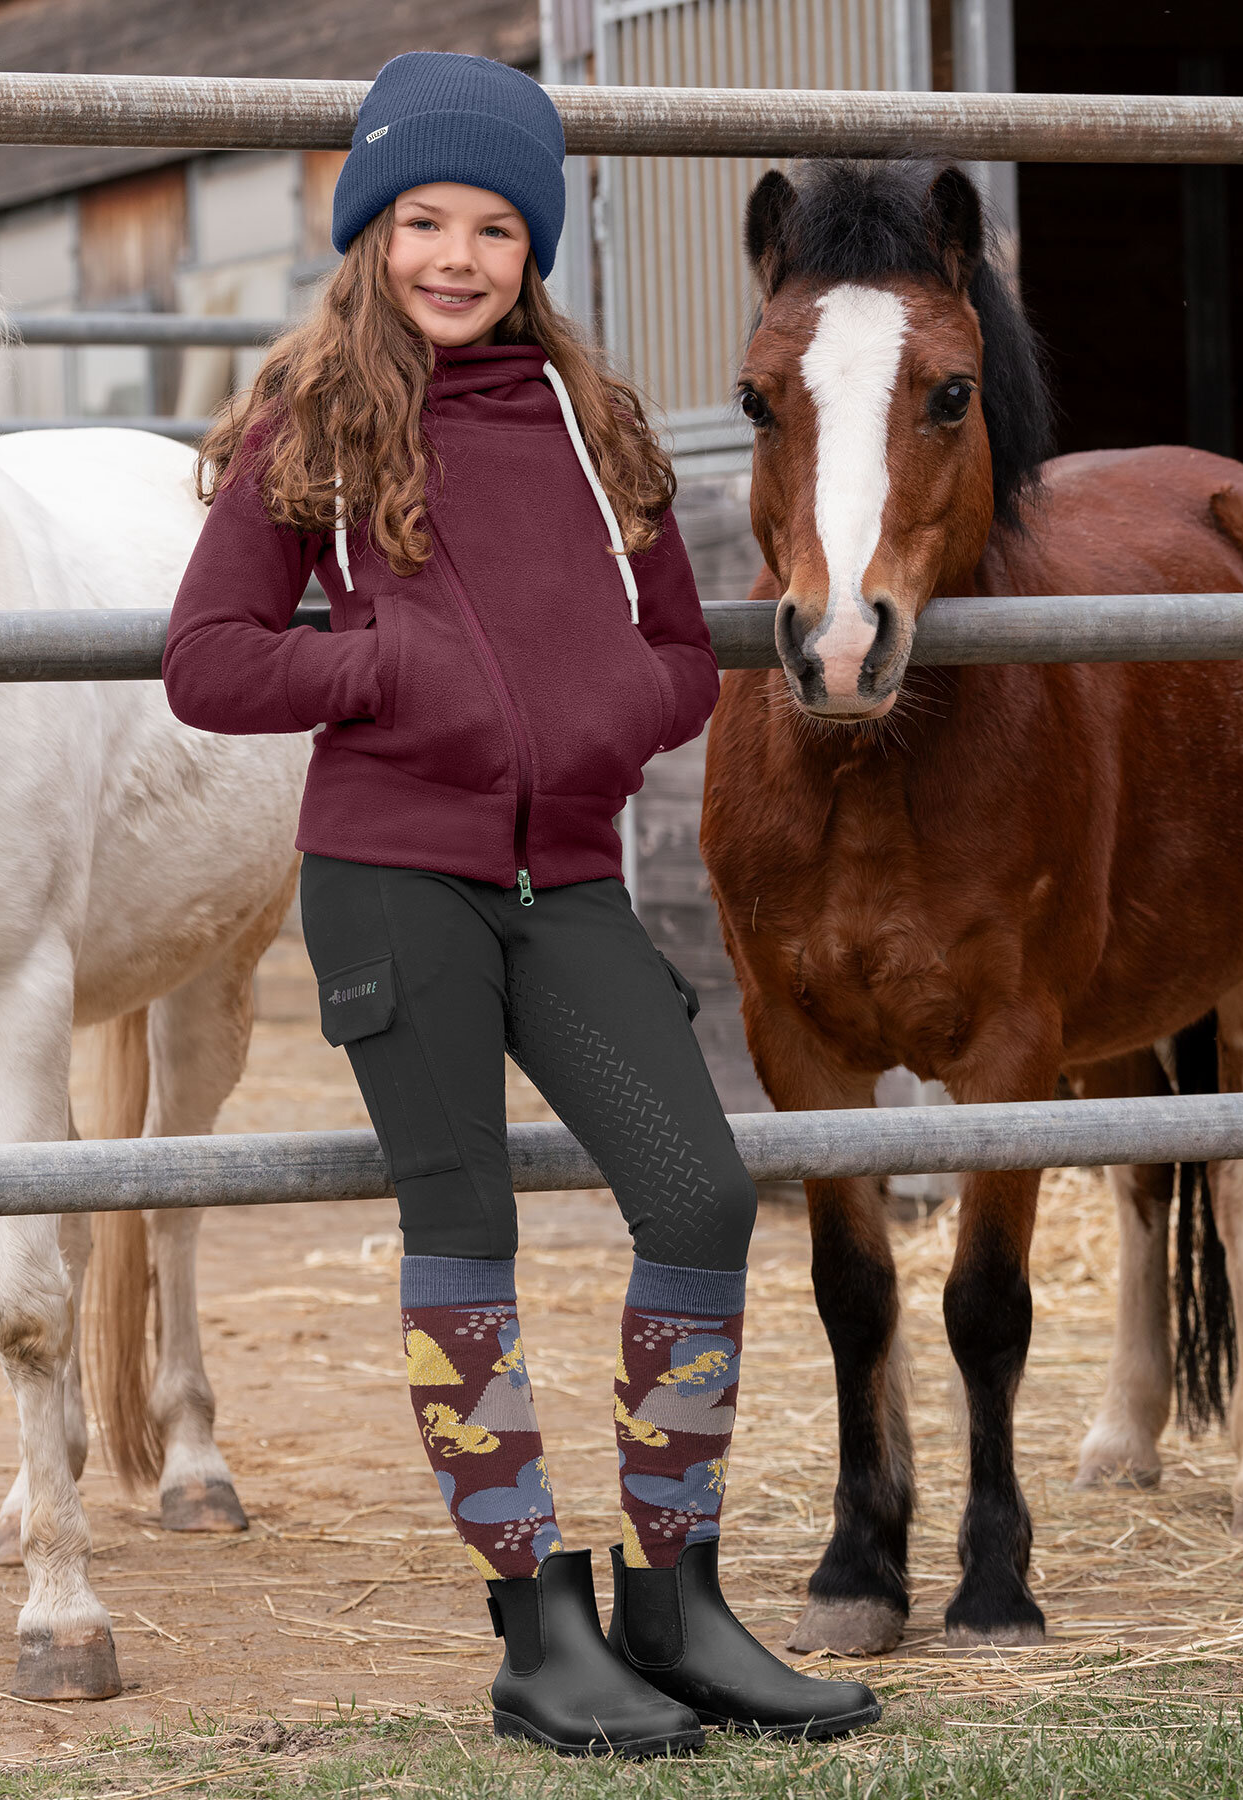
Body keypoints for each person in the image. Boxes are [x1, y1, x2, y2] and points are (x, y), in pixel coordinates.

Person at [162, 49, 879, 1758]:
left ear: (533, 246)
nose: (459, 256)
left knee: (697, 1192)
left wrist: (600, 717)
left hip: (563, 886)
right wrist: (383, 664)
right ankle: (530, 1621)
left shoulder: (593, 424)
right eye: (424, 221)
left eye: (495, 226)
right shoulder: (307, 426)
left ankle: (676, 1596)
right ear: (371, 234)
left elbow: (676, 659)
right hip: (393, 887)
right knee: (463, 1235)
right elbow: (206, 661)